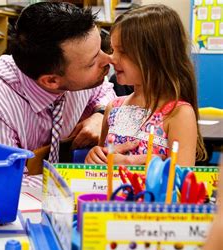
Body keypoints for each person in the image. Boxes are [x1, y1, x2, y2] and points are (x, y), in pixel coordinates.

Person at [0, 2, 116, 159]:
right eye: (93, 61)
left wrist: (101, 115)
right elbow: (2, 181)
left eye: (100, 48)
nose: (108, 59)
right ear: (51, 81)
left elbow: (104, 91)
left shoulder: (76, 70)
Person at [85, 4, 207, 166]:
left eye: (123, 51)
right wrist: (94, 157)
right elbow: (100, 165)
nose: (112, 59)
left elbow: (180, 180)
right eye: (113, 50)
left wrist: (129, 162)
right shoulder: (112, 108)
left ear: (157, 56)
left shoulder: (179, 114)